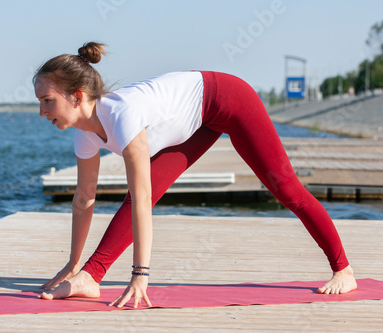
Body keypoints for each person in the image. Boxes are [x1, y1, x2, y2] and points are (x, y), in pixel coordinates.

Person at [33, 42, 357, 308]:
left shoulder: (122, 115)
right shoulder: (84, 134)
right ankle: (89, 276)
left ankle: (343, 269)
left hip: (227, 98)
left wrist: (139, 275)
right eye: (39, 102)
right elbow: (84, 199)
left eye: (48, 101)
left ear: (77, 95)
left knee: (285, 188)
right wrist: (71, 265)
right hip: (195, 118)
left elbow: (143, 200)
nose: (42, 111)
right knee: (142, 191)